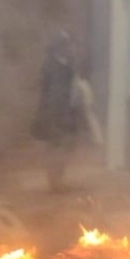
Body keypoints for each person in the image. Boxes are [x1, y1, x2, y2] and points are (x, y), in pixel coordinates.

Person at [32, 30, 81, 192]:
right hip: (55, 114)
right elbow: (55, 94)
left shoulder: (65, 65)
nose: (70, 48)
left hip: (63, 112)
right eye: (66, 45)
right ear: (59, 47)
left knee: (63, 147)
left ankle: (57, 180)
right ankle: (55, 182)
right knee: (56, 147)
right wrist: (59, 116)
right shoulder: (54, 67)